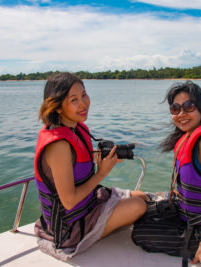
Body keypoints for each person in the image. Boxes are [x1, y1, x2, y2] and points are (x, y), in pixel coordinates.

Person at [33, 72, 147, 260]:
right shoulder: (58, 145)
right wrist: (101, 173)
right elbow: (69, 201)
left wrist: (101, 158)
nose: (83, 103)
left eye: (84, 95)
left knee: (142, 196)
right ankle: (93, 234)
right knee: (138, 206)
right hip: (70, 226)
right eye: (74, 100)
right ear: (58, 107)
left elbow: (78, 162)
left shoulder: (75, 127)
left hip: (90, 202)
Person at [133, 81, 201, 267]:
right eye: (175, 108)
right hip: (192, 217)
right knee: (141, 213)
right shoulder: (188, 136)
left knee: (140, 234)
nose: (181, 114)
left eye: (189, 106)